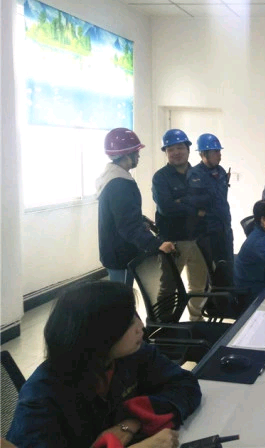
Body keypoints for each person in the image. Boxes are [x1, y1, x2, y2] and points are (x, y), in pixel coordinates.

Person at [6, 281, 201, 448]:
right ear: (100, 335)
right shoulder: (42, 397)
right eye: (128, 321)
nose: (140, 326)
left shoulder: (132, 354)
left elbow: (186, 384)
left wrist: (132, 422)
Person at [97, 128, 174, 286]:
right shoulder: (120, 184)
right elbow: (127, 225)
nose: (138, 155)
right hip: (121, 256)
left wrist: (142, 220)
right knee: (122, 296)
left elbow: (122, 214)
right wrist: (156, 244)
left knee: (121, 294)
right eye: (136, 152)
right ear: (126, 154)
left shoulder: (113, 178)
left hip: (115, 251)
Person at [152, 129, 209, 321]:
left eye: (180, 147)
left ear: (188, 149)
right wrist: (194, 207)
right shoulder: (160, 177)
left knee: (198, 286)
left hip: (198, 239)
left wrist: (181, 201)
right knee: (169, 287)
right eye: (171, 149)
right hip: (173, 242)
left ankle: (196, 320)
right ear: (166, 152)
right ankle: (163, 326)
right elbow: (166, 208)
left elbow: (207, 201)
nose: (176, 152)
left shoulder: (199, 174)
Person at [188, 133, 234, 281]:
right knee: (210, 274)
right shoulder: (195, 174)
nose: (219, 155)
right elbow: (197, 202)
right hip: (207, 232)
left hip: (224, 229)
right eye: (215, 151)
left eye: (219, 151)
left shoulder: (221, 171)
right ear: (203, 153)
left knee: (228, 269)